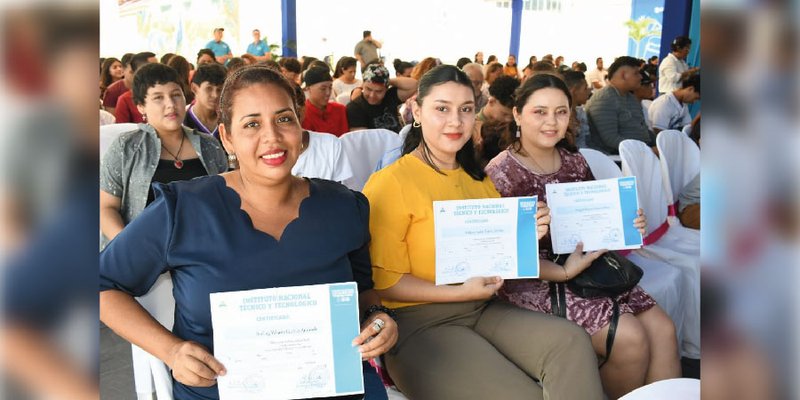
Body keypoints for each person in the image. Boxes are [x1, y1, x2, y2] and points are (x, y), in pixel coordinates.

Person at [100, 65, 396, 400]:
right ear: (226, 137)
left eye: (284, 119)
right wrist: (171, 351)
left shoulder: (344, 206)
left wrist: (378, 318)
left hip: (333, 385)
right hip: (224, 390)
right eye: (252, 124)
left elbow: (363, 291)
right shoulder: (183, 209)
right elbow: (102, 285)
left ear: (300, 127)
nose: (271, 137)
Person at [363, 64, 603, 399]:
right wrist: (462, 292)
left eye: (465, 110)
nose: (455, 121)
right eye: (441, 109)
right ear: (416, 110)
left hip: (482, 308)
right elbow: (385, 282)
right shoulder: (391, 182)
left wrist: (526, 241)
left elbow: (497, 259)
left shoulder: (478, 180)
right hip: (417, 324)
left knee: (571, 341)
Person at [485, 73, 681, 399]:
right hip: (536, 279)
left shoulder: (575, 161)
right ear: (518, 114)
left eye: (561, 112)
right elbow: (500, 257)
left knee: (663, 329)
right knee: (630, 338)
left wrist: (628, 225)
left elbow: (593, 222)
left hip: (589, 266)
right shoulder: (500, 172)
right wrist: (551, 256)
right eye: (540, 112)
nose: (552, 122)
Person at [100, 63, 227, 245]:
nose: (171, 104)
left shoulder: (209, 146)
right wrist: (128, 247)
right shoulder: (126, 147)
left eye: (176, 95)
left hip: (202, 249)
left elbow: (223, 202)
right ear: (141, 107)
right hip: (143, 251)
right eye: (158, 98)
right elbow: (106, 208)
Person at [585, 56, 655, 155]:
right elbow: (611, 140)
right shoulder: (604, 99)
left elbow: (642, 129)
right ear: (623, 75)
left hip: (639, 153)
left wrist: (658, 145)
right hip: (618, 159)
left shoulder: (630, 97)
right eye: (636, 73)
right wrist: (647, 151)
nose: (641, 77)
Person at [345, 64, 416, 133]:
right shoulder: (354, 108)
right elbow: (362, 139)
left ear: (386, 89)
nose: (372, 95)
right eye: (368, 89)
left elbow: (414, 85)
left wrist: (386, 80)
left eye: (379, 91)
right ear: (362, 84)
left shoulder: (390, 96)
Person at [301, 66, 349, 136]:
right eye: (323, 89)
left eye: (330, 87)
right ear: (308, 89)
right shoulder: (302, 115)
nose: (328, 93)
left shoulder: (340, 110)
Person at [184, 63, 226, 139]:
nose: (215, 95)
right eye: (209, 88)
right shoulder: (182, 122)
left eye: (219, 90)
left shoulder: (228, 120)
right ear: (194, 88)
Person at [562, 70, 591, 148]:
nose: (588, 92)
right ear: (574, 91)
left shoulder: (580, 112)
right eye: (585, 88)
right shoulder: (562, 117)